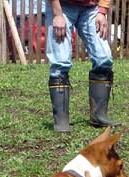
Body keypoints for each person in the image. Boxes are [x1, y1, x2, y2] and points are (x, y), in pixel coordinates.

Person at [47, 0, 118, 132]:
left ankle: (99, 115)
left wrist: (102, 11)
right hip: (62, 7)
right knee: (60, 62)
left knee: (103, 58)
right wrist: (57, 14)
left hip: (91, 9)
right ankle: (61, 121)